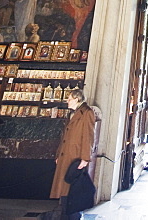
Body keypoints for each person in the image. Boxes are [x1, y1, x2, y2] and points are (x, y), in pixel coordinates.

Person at [50, 88, 96, 218]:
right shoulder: (72, 113)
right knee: (64, 188)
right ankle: (66, 213)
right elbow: (65, 135)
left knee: (72, 188)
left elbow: (88, 137)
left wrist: (85, 158)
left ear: (77, 99)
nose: (67, 101)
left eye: (69, 99)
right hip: (67, 154)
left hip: (75, 155)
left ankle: (73, 215)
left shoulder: (87, 113)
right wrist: (59, 154)